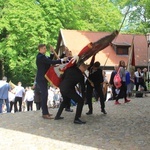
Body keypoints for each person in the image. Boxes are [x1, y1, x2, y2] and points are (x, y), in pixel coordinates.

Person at [36, 44, 67, 119]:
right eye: (44, 48)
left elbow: (49, 59)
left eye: (45, 48)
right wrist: (62, 60)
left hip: (44, 78)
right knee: (44, 95)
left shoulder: (43, 56)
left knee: (45, 95)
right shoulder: (40, 57)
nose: (45, 49)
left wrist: (52, 53)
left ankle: (46, 112)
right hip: (41, 78)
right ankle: (44, 113)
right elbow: (50, 61)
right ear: (40, 49)